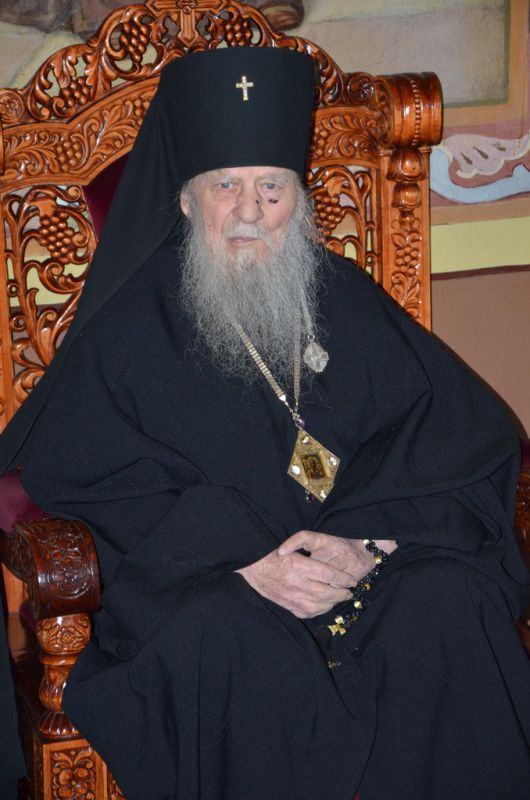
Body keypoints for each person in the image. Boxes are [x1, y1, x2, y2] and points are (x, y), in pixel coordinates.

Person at [2, 46, 530, 800]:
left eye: (271, 189)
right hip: (218, 591)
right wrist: (245, 562)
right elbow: (92, 488)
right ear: (188, 201)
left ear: (298, 200)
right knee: (229, 642)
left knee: (448, 605)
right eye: (226, 186)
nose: (249, 212)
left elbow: (455, 439)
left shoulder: (344, 296)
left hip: (365, 573)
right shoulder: (128, 332)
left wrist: (369, 545)